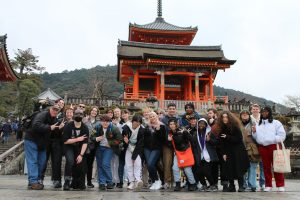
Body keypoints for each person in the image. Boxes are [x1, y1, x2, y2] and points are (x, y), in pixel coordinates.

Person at [24, 105, 62, 190]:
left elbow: (53, 134)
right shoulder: (43, 114)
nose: (55, 111)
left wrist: (59, 129)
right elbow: (36, 125)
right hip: (31, 140)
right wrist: (49, 127)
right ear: (50, 109)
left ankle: (36, 180)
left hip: (42, 143)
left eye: (57, 110)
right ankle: (33, 182)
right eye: (54, 109)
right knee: (33, 161)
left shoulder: (55, 119)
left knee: (42, 162)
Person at [251, 106, 286, 192]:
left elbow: (282, 135)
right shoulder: (258, 124)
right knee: (265, 167)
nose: (264, 113)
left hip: (274, 145)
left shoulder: (276, 123)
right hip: (263, 147)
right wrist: (254, 132)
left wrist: (272, 139)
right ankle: (268, 185)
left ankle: (280, 185)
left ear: (269, 112)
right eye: (262, 112)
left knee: (277, 165)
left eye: (266, 112)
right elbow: (256, 137)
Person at [217, 111, 249, 192]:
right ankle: (232, 186)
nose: (224, 119)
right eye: (223, 117)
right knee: (229, 169)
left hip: (238, 151)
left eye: (226, 117)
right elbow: (221, 142)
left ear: (230, 118)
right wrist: (223, 153)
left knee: (238, 168)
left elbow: (238, 139)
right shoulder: (221, 128)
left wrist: (227, 137)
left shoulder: (235, 126)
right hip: (228, 151)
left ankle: (241, 186)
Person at [92, 114, 123, 190]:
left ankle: (110, 182)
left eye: (107, 121)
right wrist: (96, 138)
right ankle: (102, 183)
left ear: (110, 122)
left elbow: (120, 140)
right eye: (103, 121)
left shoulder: (114, 128)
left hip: (109, 148)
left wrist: (110, 143)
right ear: (101, 121)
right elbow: (91, 137)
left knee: (105, 164)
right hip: (99, 148)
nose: (105, 123)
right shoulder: (97, 127)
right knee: (99, 165)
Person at [41, 99, 66, 188]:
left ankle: (56, 180)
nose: (61, 104)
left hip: (57, 140)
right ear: (56, 103)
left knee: (56, 161)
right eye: (60, 103)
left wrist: (60, 128)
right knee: (43, 160)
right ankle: (40, 178)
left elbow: (61, 130)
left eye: (63, 103)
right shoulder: (47, 113)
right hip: (47, 140)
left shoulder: (64, 115)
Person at [62, 108, 89, 190]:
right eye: (77, 114)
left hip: (79, 148)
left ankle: (78, 182)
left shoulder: (85, 127)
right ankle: (67, 182)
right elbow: (65, 141)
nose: (78, 116)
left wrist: (81, 155)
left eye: (80, 114)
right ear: (74, 115)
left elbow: (85, 142)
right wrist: (77, 139)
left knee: (81, 162)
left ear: (83, 116)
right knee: (70, 161)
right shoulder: (68, 126)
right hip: (69, 146)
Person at [168, 118, 196, 192]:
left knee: (187, 170)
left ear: (176, 124)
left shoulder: (182, 130)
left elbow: (192, 140)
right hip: (177, 153)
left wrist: (186, 133)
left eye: (173, 124)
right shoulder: (170, 133)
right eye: (170, 124)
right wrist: (169, 141)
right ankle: (177, 184)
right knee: (175, 168)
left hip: (186, 152)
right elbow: (170, 146)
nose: (172, 125)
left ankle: (192, 184)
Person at [191, 118, 219, 192]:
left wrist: (209, 140)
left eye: (203, 124)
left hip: (208, 155)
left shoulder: (210, 133)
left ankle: (213, 185)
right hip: (199, 156)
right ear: (198, 124)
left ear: (206, 125)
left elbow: (216, 142)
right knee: (199, 172)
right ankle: (204, 185)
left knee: (206, 171)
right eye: (200, 123)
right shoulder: (195, 134)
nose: (201, 125)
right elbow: (193, 146)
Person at [143, 111, 166, 190]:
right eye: (150, 116)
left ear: (157, 116)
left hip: (156, 148)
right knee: (149, 165)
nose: (152, 118)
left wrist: (158, 130)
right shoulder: (147, 126)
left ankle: (158, 180)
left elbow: (163, 139)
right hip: (147, 148)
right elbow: (144, 138)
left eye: (153, 116)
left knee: (150, 164)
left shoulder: (162, 126)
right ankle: (154, 181)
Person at [240, 110, 261, 192]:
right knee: (242, 168)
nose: (245, 116)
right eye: (243, 115)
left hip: (252, 148)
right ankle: (244, 184)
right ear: (241, 116)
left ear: (249, 116)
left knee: (252, 167)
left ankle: (252, 185)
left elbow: (258, 137)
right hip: (241, 148)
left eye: (246, 114)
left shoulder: (254, 124)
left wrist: (255, 132)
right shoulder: (238, 125)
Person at [122, 114, 144, 190]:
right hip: (128, 148)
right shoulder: (126, 128)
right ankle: (131, 182)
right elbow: (123, 139)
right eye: (135, 122)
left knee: (137, 164)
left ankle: (138, 180)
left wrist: (134, 156)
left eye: (139, 122)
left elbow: (140, 144)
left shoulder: (141, 130)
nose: (137, 124)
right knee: (129, 165)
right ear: (132, 121)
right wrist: (126, 142)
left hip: (137, 148)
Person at [160, 103, 180, 189]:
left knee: (176, 164)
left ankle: (175, 181)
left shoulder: (178, 119)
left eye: (173, 108)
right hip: (167, 144)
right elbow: (163, 132)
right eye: (170, 108)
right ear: (167, 109)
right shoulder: (163, 119)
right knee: (167, 163)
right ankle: (167, 181)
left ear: (175, 110)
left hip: (177, 144)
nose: (172, 110)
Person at [83, 106, 100, 188]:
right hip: (83, 144)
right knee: (83, 163)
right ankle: (82, 181)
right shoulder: (85, 120)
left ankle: (89, 181)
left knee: (90, 164)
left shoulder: (98, 123)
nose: (94, 112)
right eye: (93, 110)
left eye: (95, 111)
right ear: (90, 111)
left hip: (93, 146)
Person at [250, 103, 266, 190]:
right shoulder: (249, 119)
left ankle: (263, 183)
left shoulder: (263, 119)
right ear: (251, 110)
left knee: (263, 164)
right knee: (253, 165)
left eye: (257, 109)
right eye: (254, 109)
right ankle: (253, 184)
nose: (255, 110)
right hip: (252, 144)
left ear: (259, 110)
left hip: (263, 143)